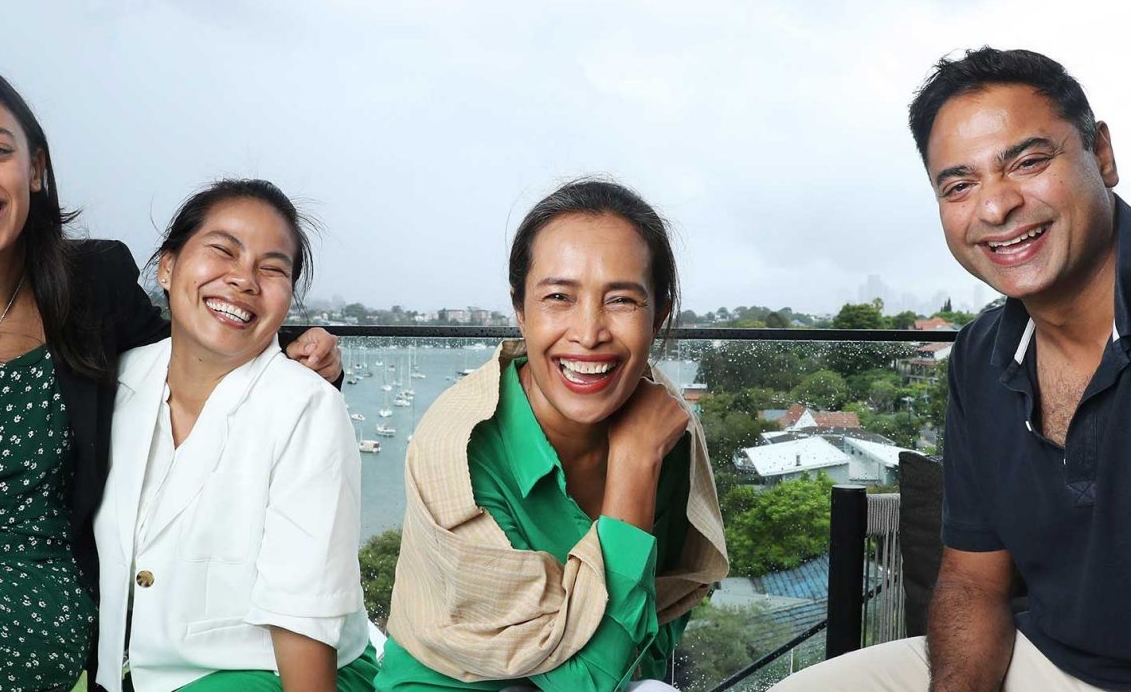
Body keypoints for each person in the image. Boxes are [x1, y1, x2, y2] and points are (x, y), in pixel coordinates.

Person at [0, 58, 340, 690]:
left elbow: (194, 345)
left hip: (42, 590)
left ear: (35, 165)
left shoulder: (95, 285)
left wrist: (305, 347)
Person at [772, 47, 1131, 691]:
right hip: (1044, 657)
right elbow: (973, 579)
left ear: (1100, 155)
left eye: (1026, 161)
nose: (995, 209)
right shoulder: (980, 353)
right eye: (959, 185)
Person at [375, 179, 729, 692]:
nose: (588, 333)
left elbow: (660, 619)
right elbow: (585, 684)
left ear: (660, 316)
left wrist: (642, 455)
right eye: (559, 297)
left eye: (623, 300)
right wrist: (632, 467)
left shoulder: (665, 426)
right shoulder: (460, 452)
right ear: (520, 309)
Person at [93, 179, 377, 692]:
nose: (244, 280)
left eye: (272, 268)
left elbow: (303, 618)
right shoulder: (115, 383)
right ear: (167, 265)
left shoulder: (306, 405)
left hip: (276, 675)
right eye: (222, 250)